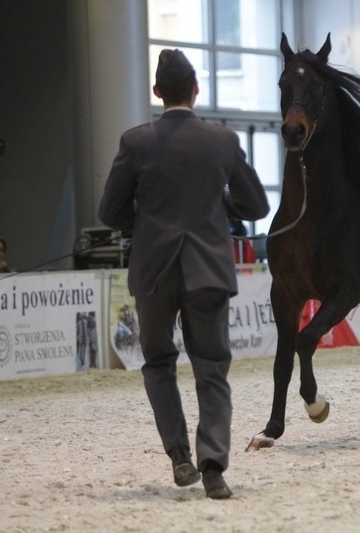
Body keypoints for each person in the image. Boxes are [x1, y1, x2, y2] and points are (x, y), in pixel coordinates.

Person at [98, 49, 269, 499]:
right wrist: (220, 204)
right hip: (208, 268)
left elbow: (110, 212)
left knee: (158, 364)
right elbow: (257, 206)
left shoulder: (135, 142)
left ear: (157, 93)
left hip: (154, 269)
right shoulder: (223, 141)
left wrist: (147, 215)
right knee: (212, 367)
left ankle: (179, 458)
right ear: (196, 89)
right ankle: (213, 466)